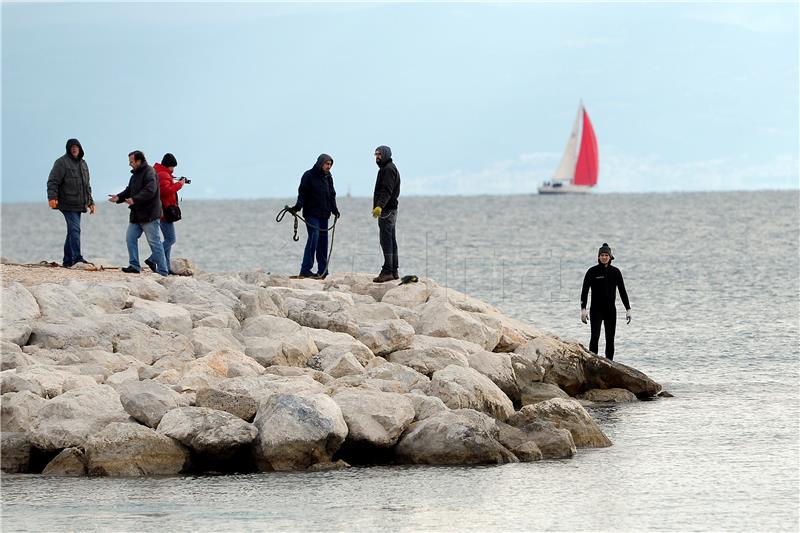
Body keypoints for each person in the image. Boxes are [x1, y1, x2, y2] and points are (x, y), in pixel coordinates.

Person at [108, 151, 169, 276]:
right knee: (130, 238)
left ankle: (163, 271)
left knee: (154, 242)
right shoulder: (135, 175)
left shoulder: (150, 172)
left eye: (131, 161)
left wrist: (135, 199)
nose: (130, 164)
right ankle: (134, 265)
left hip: (149, 215)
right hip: (137, 215)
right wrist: (118, 197)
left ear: (139, 161)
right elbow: (129, 190)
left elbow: (150, 191)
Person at [46, 139, 96, 267]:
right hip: (66, 203)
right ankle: (77, 259)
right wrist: (52, 197)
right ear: (68, 149)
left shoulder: (83, 164)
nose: (74, 149)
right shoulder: (61, 162)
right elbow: (53, 181)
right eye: (72, 147)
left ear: (80, 148)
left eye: (76, 146)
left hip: (79, 204)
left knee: (72, 231)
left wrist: (91, 202)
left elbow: (87, 186)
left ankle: (68, 261)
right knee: (75, 230)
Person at [289, 154, 339, 279]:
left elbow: (331, 195)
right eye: (327, 164)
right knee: (314, 238)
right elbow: (302, 193)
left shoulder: (329, 178)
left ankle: (323, 271)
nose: (329, 167)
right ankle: (305, 269)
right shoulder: (308, 175)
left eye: (330, 164)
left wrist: (335, 209)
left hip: (324, 214)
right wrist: (297, 207)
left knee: (323, 242)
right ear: (320, 163)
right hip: (311, 214)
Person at [580, 243, 631, 361]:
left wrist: (628, 309)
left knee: (610, 339)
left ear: (610, 257)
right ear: (598, 257)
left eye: (606, 255)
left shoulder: (615, 272)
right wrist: (583, 309)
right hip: (596, 310)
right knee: (595, 336)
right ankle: (592, 362)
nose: (604, 257)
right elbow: (584, 291)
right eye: (602, 255)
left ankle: (610, 364)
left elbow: (623, 291)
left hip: (610, 311)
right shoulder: (592, 272)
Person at [144, 153, 187, 274]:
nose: (174, 169)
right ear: (169, 165)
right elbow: (165, 191)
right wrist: (179, 185)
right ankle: (152, 259)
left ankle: (166, 267)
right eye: (173, 167)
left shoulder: (161, 173)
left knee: (168, 239)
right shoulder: (163, 175)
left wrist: (175, 181)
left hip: (162, 210)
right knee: (171, 239)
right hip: (164, 211)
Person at [371, 145, 400, 283]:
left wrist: (379, 207)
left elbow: (387, 191)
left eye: (380, 154)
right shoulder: (387, 168)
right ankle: (394, 271)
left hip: (387, 211)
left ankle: (388, 271)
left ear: (386, 154)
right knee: (391, 240)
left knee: (386, 241)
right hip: (390, 210)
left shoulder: (388, 169)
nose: (377, 157)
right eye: (376, 154)